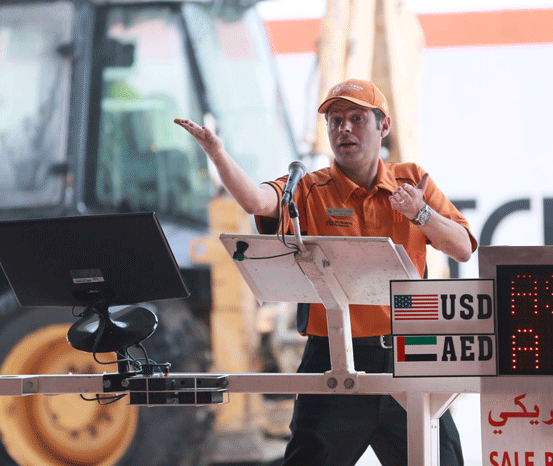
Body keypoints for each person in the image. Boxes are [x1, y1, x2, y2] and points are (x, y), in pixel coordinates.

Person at [175, 78, 477, 465]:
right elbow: (256, 201)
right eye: (335, 120)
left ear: (384, 125)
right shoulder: (309, 189)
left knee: (441, 460)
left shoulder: (411, 181)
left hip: (412, 352)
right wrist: (218, 155)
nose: (343, 128)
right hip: (334, 356)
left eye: (356, 118)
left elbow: (463, 248)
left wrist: (421, 213)